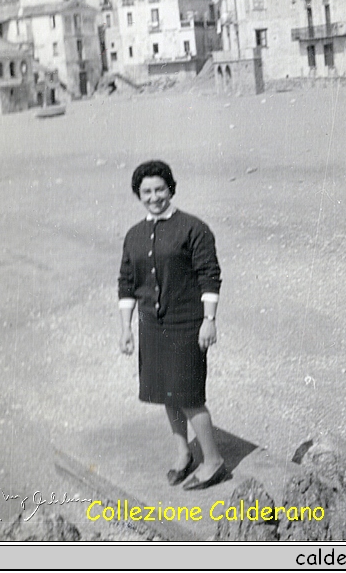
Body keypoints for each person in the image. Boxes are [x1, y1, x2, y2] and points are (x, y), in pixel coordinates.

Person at [118, 160, 226, 490]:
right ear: (139, 194)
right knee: (166, 393)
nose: (154, 197)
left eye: (160, 189)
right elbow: (126, 282)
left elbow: (210, 276)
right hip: (151, 325)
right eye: (147, 191)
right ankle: (183, 454)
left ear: (170, 189)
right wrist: (126, 327)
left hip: (186, 324)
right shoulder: (134, 235)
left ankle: (213, 460)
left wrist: (209, 321)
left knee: (190, 394)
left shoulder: (194, 228)